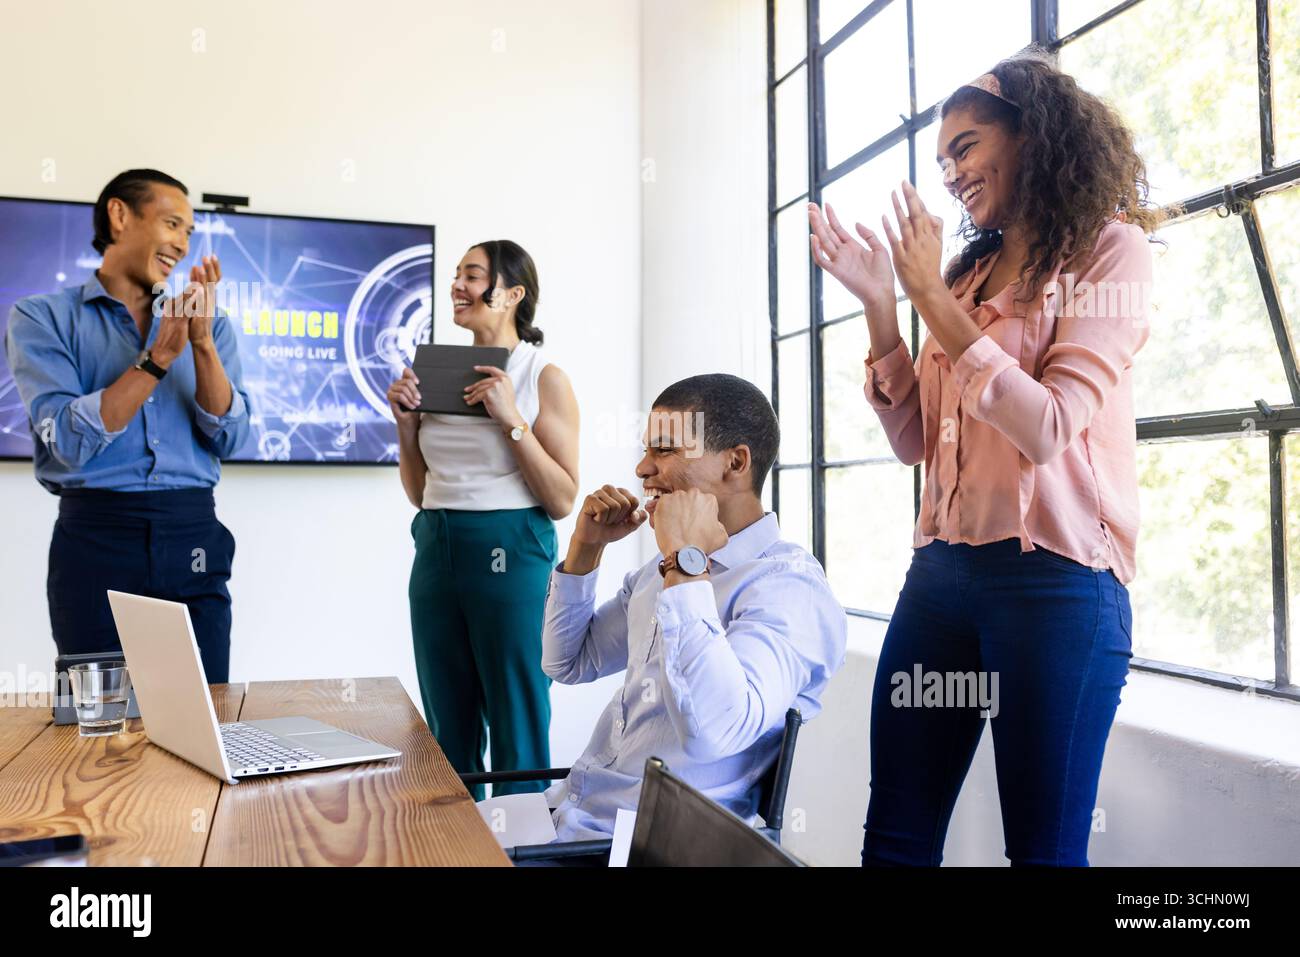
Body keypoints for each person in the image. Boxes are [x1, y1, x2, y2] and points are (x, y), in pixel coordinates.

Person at [809, 50, 1164, 866]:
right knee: (895, 839)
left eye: (966, 146)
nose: (952, 173)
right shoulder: (965, 275)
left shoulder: (1108, 255)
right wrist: (880, 308)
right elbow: (912, 445)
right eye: (942, 162)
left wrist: (926, 295)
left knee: (1042, 854)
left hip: (1057, 587)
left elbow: (1047, 426)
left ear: (1032, 135)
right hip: (940, 580)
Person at [541, 374, 846, 843]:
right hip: (568, 814)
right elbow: (567, 663)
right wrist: (585, 550)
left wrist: (686, 563)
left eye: (664, 450)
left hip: (634, 846)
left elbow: (713, 732)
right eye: (647, 450)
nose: (642, 469)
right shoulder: (659, 572)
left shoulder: (789, 589)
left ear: (735, 462)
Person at [5, 169, 250, 682]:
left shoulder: (211, 325)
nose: (182, 244)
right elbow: (68, 440)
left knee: (205, 720)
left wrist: (201, 346)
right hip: (96, 538)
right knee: (95, 728)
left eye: (189, 232)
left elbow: (231, 436)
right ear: (120, 216)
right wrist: (159, 358)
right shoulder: (41, 318)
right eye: (171, 224)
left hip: (194, 536)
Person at [387, 240, 579, 799]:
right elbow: (422, 492)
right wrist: (404, 425)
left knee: (517, 715)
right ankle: (456, 847)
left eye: (473, 275)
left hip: (511, 547)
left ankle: (522, 851)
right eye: (457, 275)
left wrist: (511, 419)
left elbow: (564, 497)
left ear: (513, 294)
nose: (458, 286)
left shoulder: (542, 375)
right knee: (447, 719)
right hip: (438, 543)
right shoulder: (437, 371)